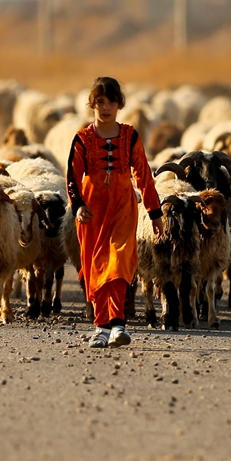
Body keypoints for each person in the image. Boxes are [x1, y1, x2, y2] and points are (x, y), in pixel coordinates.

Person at [66, 76, 162, 348]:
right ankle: (101, 327)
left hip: (123, 205)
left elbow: (143, 174)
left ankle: (117, 325)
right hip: (92, 208)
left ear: (119, 104)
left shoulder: (130, 136)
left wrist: (155, 214)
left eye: (110, 102)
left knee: (119, 262)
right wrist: (78, 206)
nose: (105, 108)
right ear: (92, 104)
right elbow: (72, 177)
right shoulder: (83, 139)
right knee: (96, 265)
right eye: (99, 102)